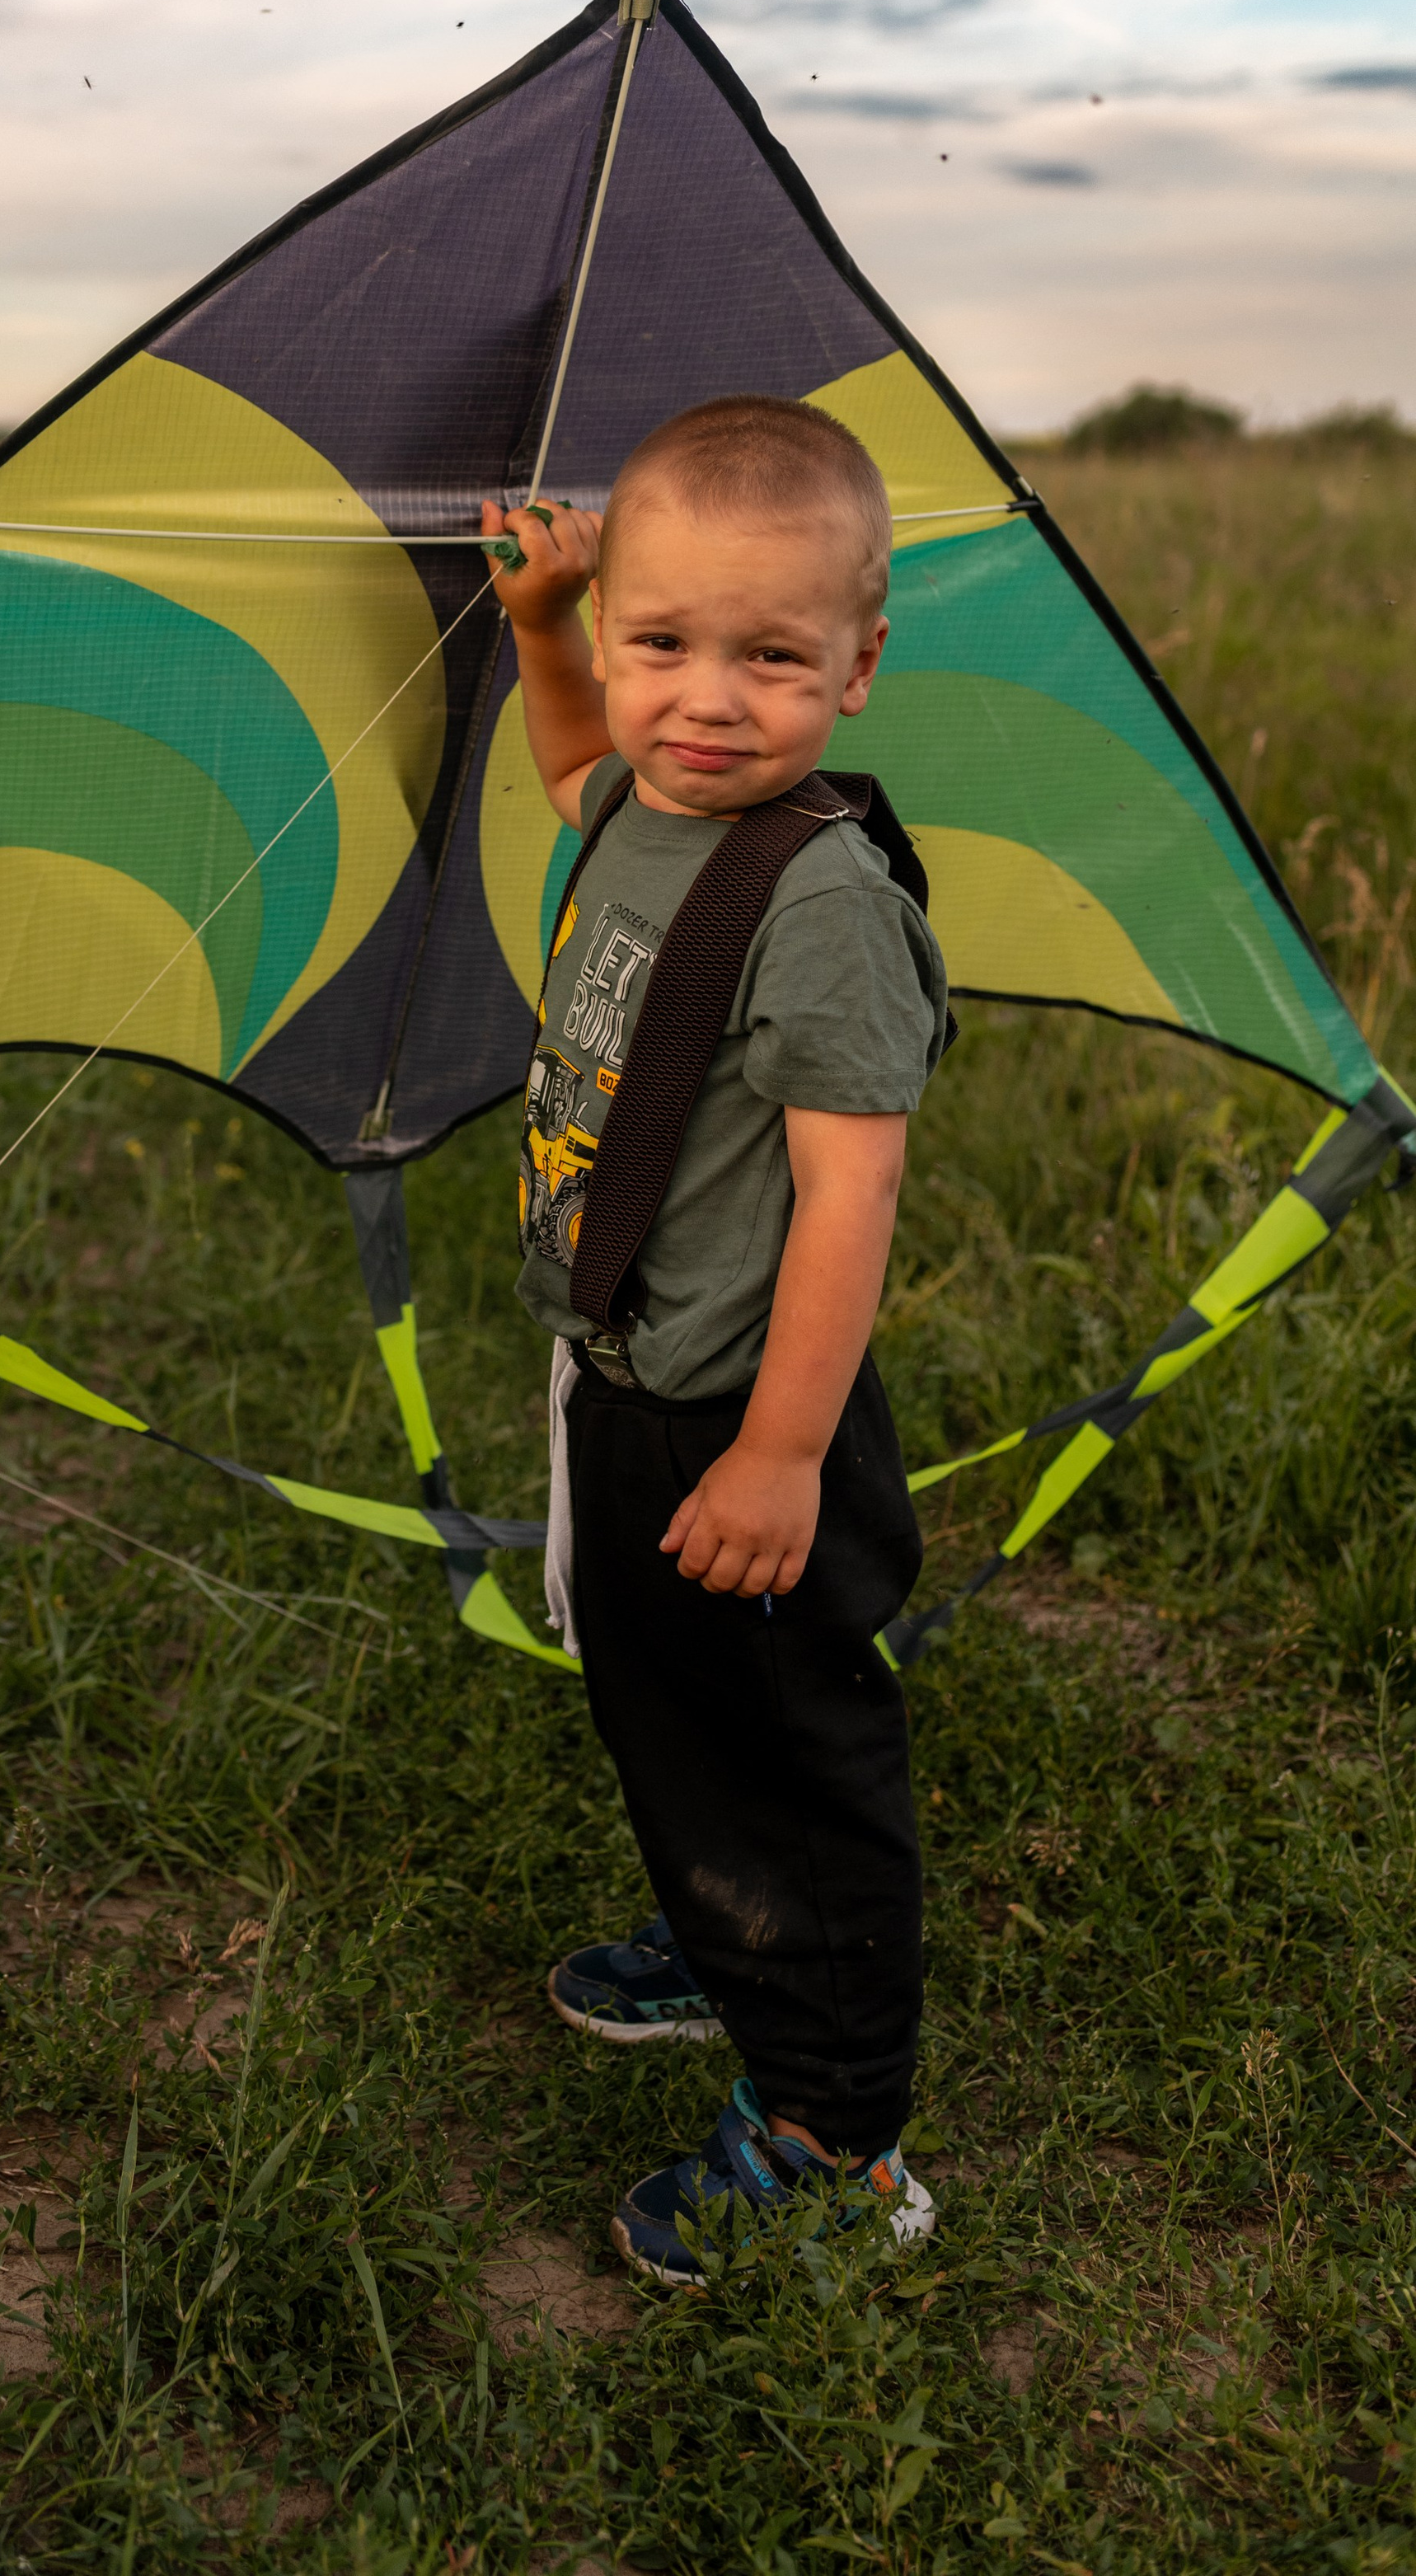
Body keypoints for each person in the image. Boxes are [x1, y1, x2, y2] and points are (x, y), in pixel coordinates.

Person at [478, 393, 949, 2283]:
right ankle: (724, 1929)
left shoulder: (815, 900)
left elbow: (848, 1195)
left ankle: (837, 2142)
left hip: (743, 1412)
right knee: (665, 1704)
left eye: (768, 657)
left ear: (855, 666)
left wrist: (774, 1454)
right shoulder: (640, 797)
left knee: (784, 1749)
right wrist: (538, 624)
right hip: (632, 1375)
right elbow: (565, 757)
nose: (704, 700)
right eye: (661, 641)